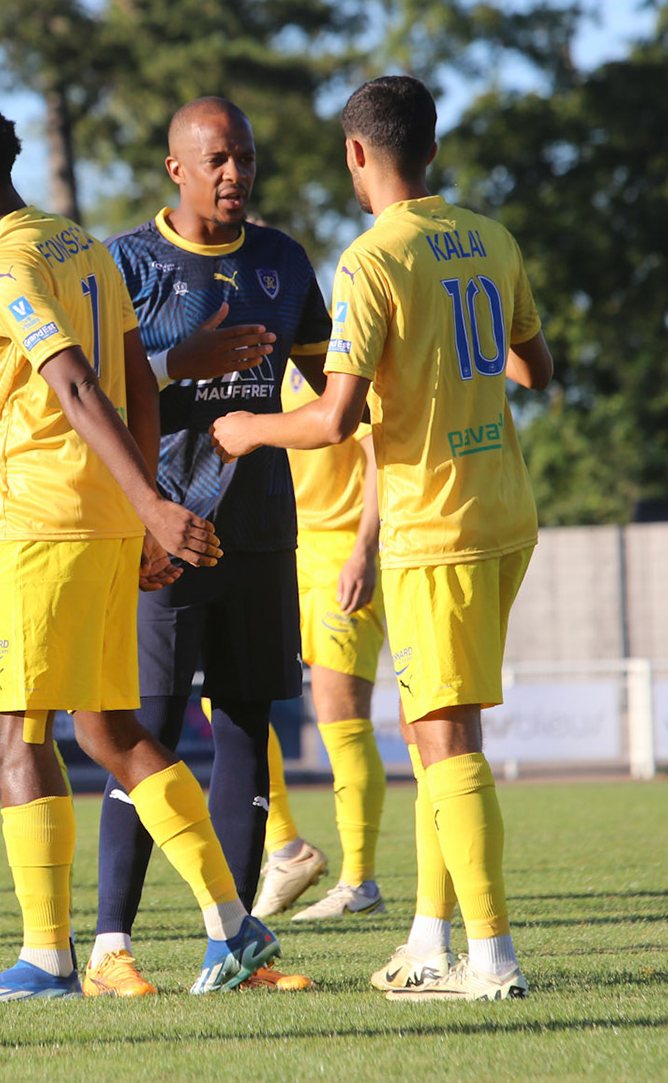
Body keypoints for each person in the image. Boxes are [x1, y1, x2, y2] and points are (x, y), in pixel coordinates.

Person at [0, 90, 280, 1001]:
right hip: (104, 524)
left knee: (12, 729)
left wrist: (153, 507)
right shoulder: (78, 243)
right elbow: (137, 384)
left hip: (42, 525)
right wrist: (142, 507)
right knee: (111, 731)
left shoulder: (5, 265)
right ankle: (232, 925)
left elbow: (77, 387)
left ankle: (47, 957)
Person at [212, 75, 552, 1001]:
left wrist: (246, 430)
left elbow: (336, 418)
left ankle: (492, 960)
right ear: (430, 148)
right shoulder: (492, 239)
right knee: (432, 728)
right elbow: (536, 367)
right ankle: (428, 940)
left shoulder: (371, 259)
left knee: (445, 740)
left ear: (357, 154)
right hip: (503, 511)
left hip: (434, 524)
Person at [83, 98, 330, 997]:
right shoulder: (124, 264)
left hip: (258, 530)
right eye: (218, 159)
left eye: (246, 158)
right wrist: (179, 364)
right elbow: (87, 396)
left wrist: (269, 428)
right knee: (143, 731)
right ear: (176, 169)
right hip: (159, 535)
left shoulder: (284, 263)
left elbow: (333, 393)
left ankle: (232, 950)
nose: (236, 174)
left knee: (245, 729)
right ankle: (109, 950)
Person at [256, 361, 389, 924]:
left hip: (340, 554)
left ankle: (360, 881)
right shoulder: (252, 347)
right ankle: (286, 849)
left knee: (340, 716)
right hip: (277, 548)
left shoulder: (339, 346)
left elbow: (379, 452)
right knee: (227, 695)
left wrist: (364, 551)